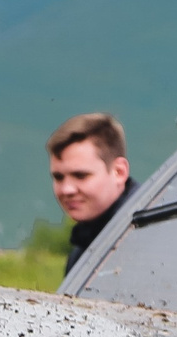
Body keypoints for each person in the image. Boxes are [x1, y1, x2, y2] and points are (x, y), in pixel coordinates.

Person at [51, 113, 136, 275]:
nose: (66, 189)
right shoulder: (83, 247)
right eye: (58, 177)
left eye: (80, 175)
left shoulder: (144, 241)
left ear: (119, 172)